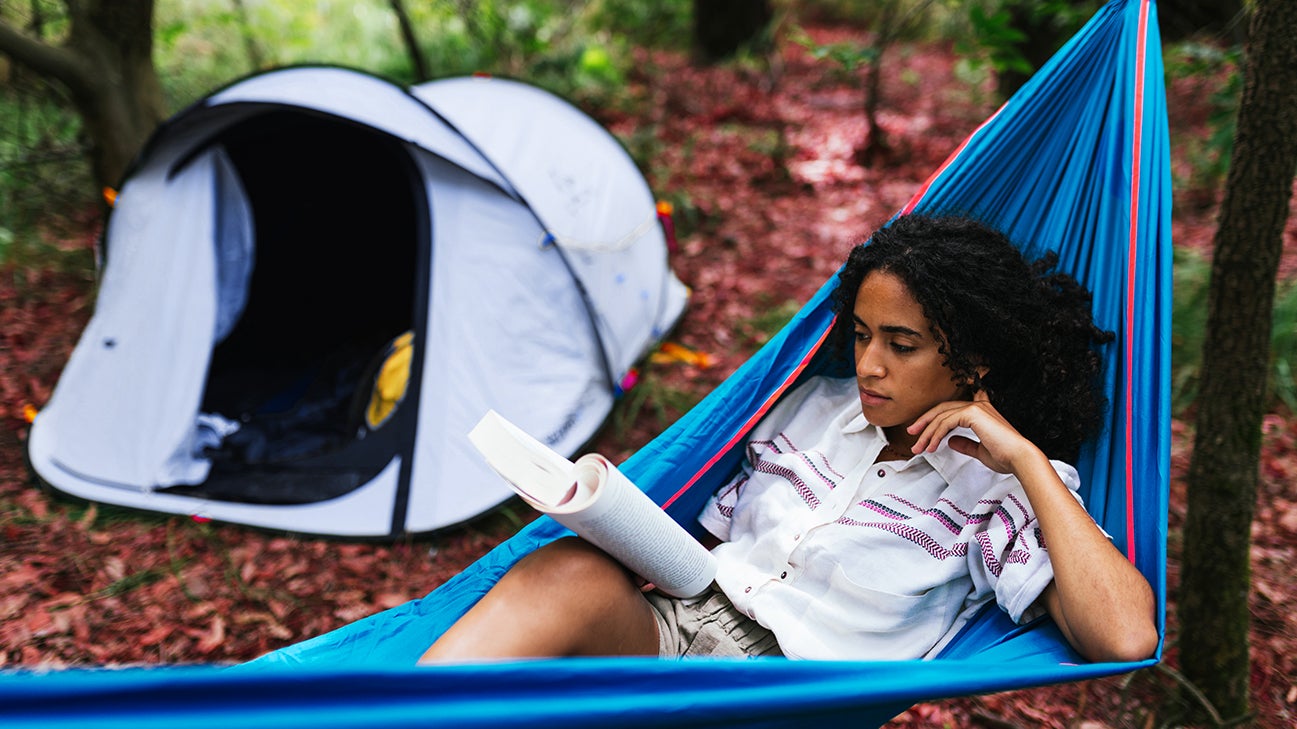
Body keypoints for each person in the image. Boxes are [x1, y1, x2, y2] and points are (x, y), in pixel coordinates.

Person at [420, 214, 1158, 664]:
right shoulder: (810, 405)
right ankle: (384, 711)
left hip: (777, 691)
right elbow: (708, 552)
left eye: (901, 345)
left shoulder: (1000, 490)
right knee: (565, 572)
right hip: (677, 626)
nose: (867, 364)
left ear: (973, 359)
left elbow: (1125, 637)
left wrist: (1026, 460)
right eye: (863, 334)